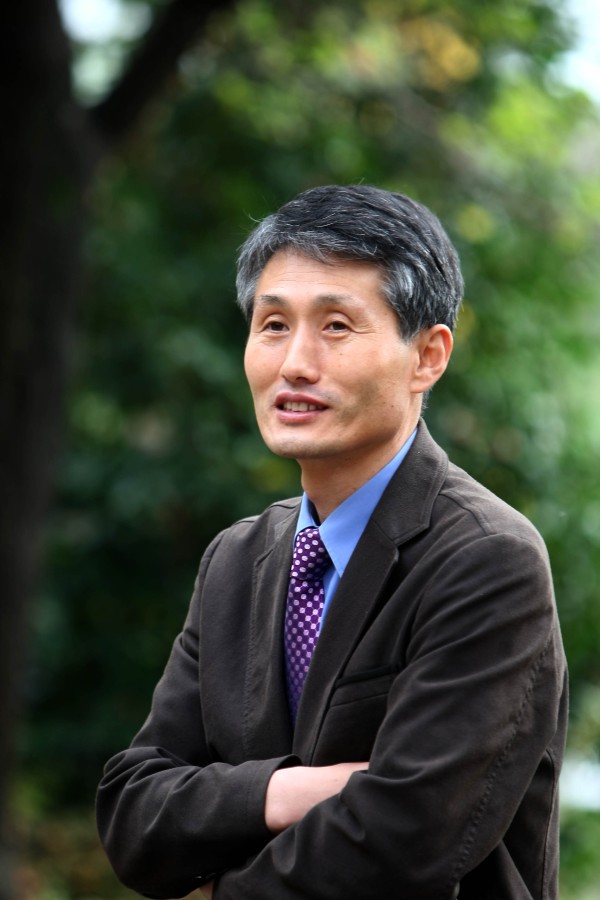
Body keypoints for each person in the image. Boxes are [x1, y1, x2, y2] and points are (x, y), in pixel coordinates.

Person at [96, 185, 568, 900]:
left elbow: (400, 843)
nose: (295, 363)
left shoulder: (486, 558)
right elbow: (133, 814)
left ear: (427, 356)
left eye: (337, 326)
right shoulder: (236, 560)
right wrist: (286, 791)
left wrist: (220, 876)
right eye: (273, 324)